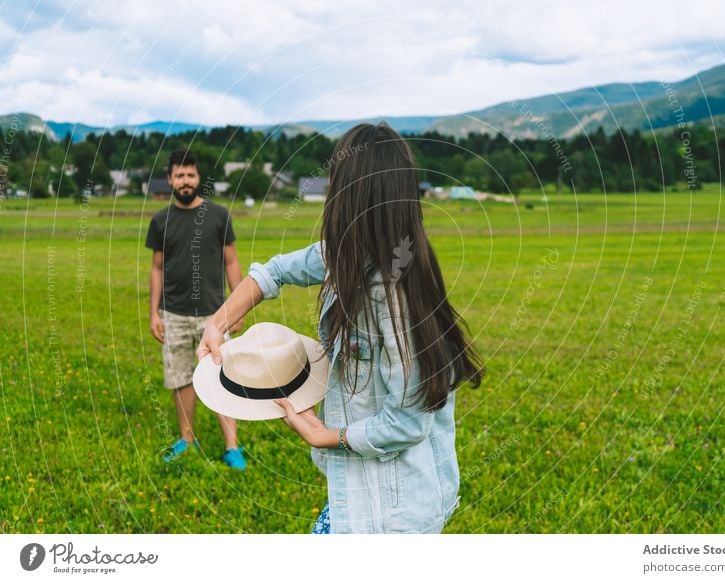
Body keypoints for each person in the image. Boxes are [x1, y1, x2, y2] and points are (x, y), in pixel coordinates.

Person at [197, 123, 483, 533]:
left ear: (353, 198)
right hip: (359, 492)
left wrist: (323, 435)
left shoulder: (394, 297)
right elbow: (276, 271)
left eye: (337, 186)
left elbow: (406, 422)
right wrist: (219, 322)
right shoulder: (349, 253)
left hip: (394, 511)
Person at [146, 149, 247, 470]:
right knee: (180, 377)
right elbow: (156, 268)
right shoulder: (160, 221)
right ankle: (186, 439)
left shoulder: (218, 216)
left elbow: (231, 261)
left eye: (190, 175)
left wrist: (238, 306)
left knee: (221, 377)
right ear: (170, 179)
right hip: (173, 314)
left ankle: (232, 446)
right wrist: (153, 313)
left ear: (198, 178)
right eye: (179, 175)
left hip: (214, 316)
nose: (185, 180)